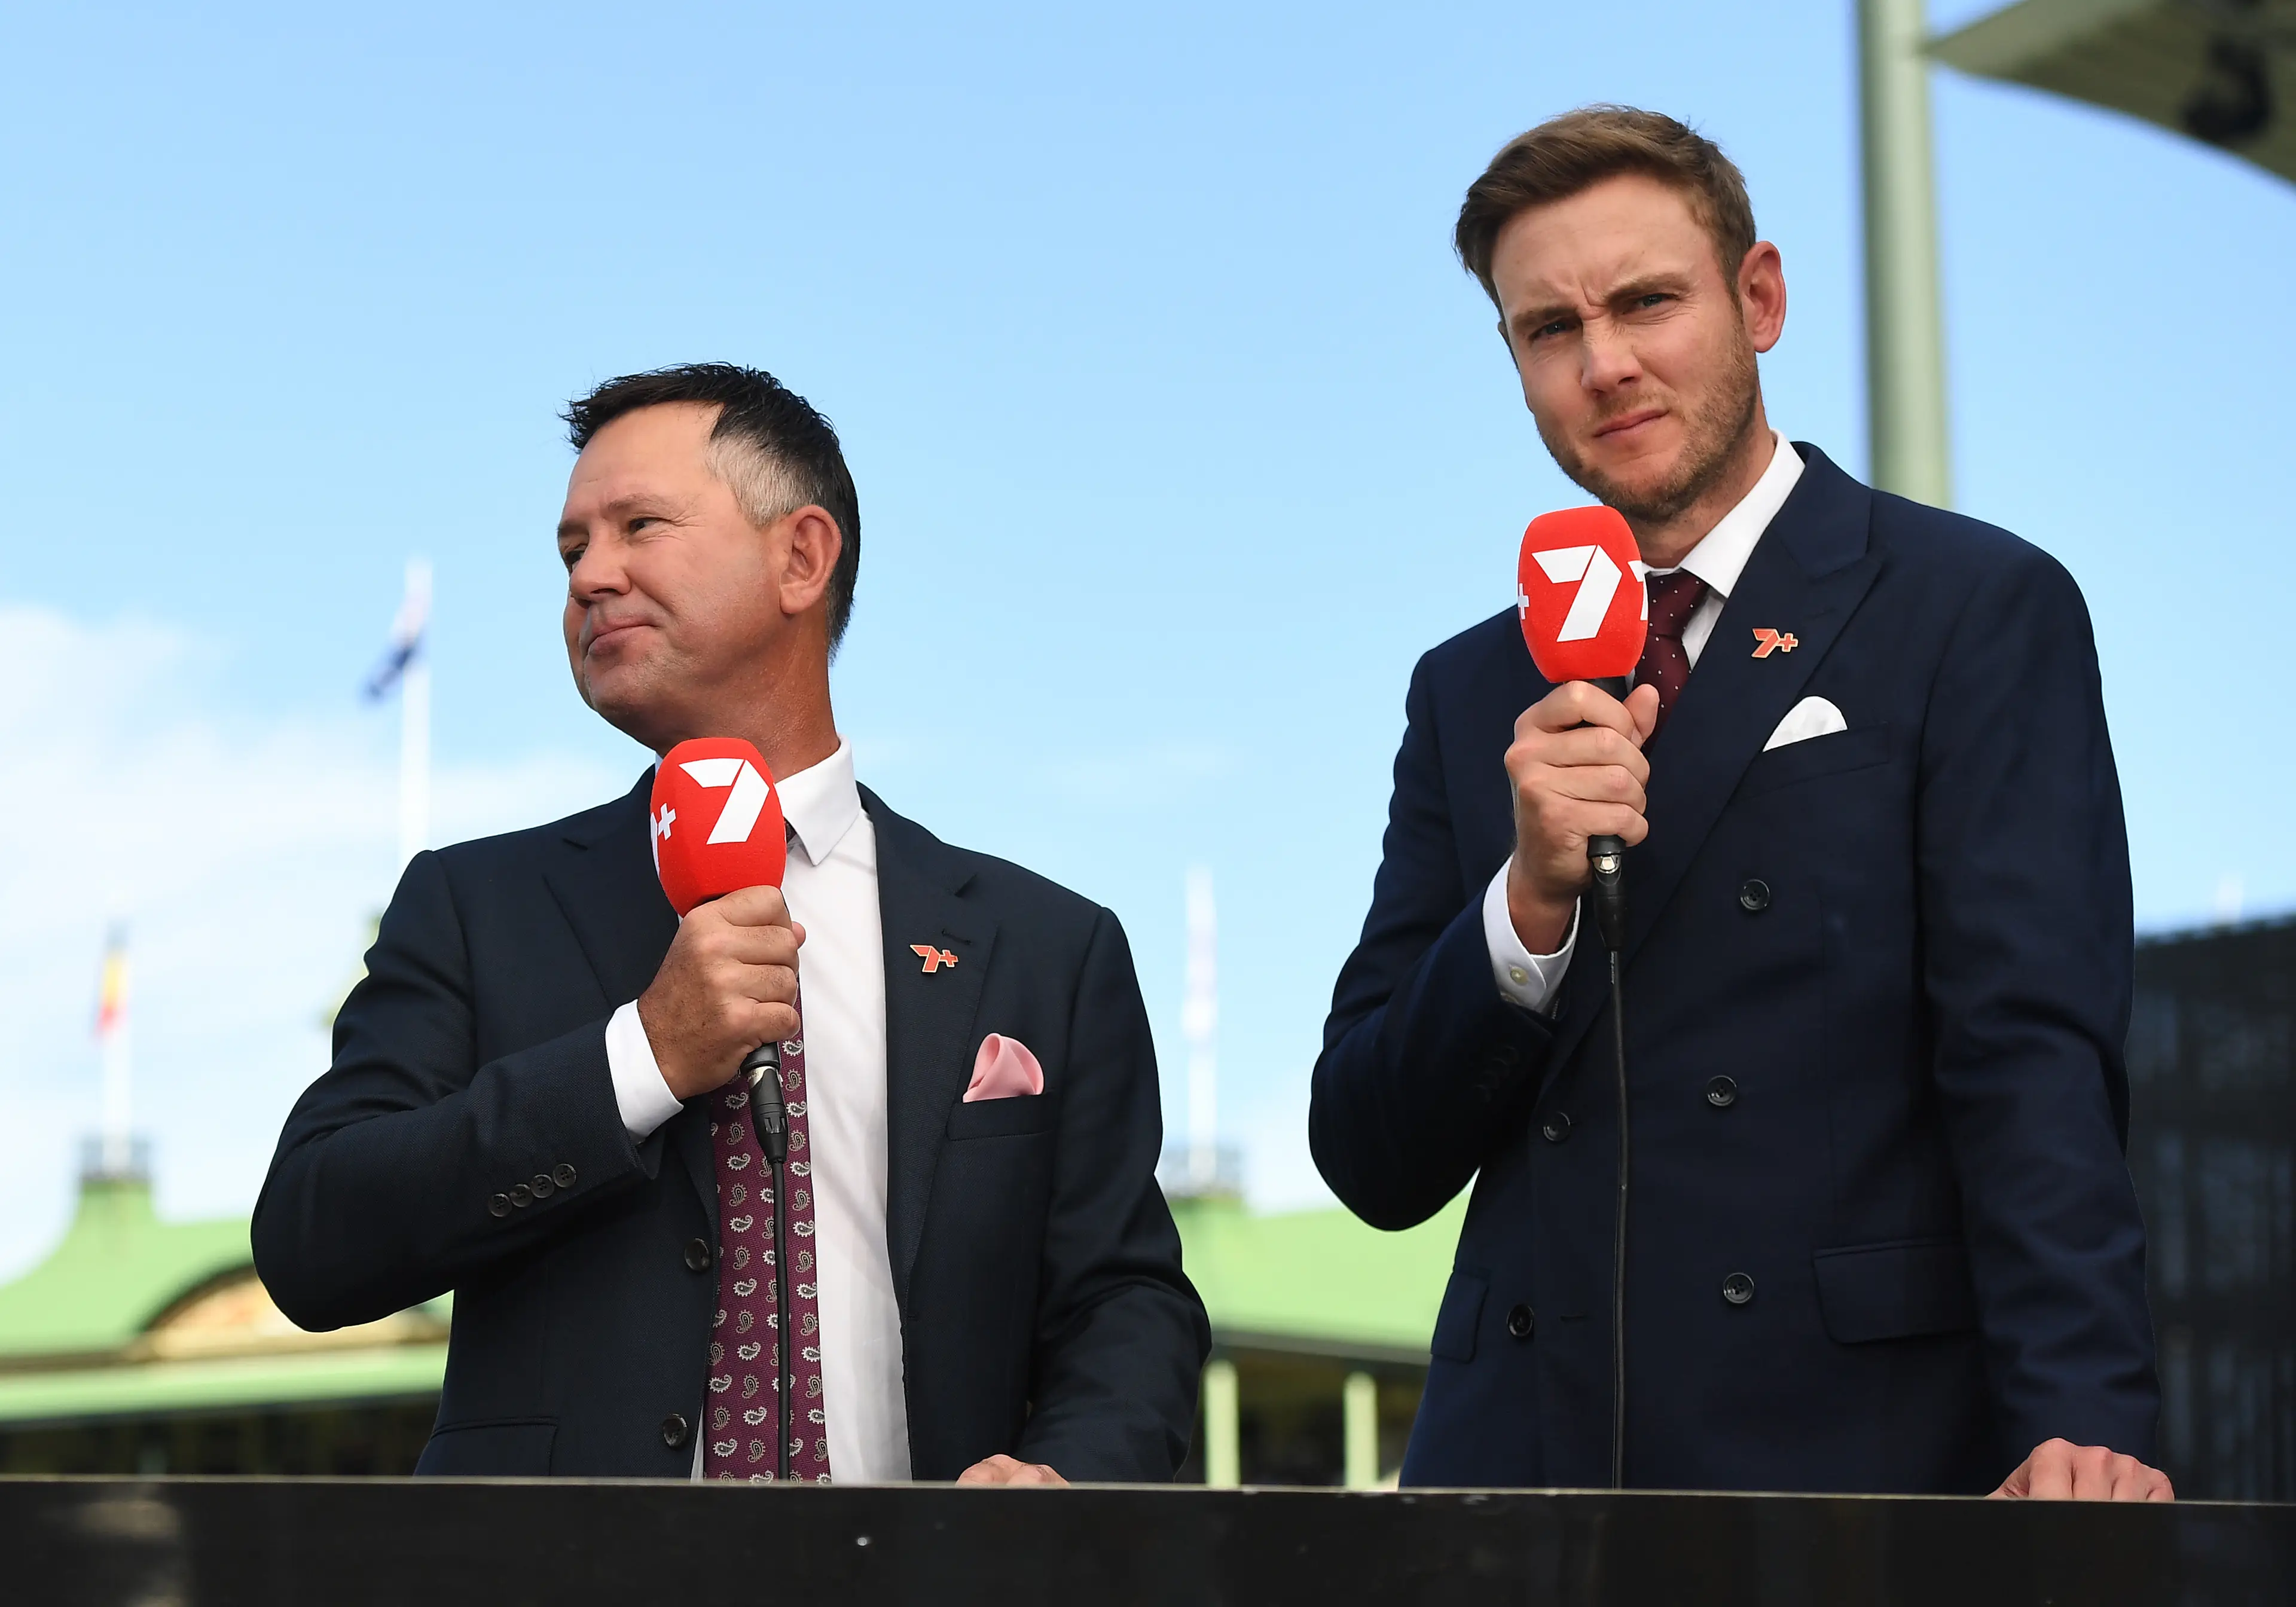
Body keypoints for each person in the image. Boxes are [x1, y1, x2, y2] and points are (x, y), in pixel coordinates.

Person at [1309, 108, 2170, 1500]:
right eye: (1549, 329)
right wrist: (1526, 908)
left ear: (1758, 298)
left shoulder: (1968, 606)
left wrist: (2084, 1418)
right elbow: (1368, 1153)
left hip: (1849, 1462)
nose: (1607, 365)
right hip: (1519, 1474)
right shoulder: (1470, 689)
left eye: (1648, 301)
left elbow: (2031, 1062)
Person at [254, 363, 1208, 1484]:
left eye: (639, 527)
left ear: (802, 556)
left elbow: (1124, 1299)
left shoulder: (1046, 947)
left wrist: (1068, 1480)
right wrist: (640, 1060)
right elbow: (315, 1239)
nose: (591, 578)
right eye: (571, 552)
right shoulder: (475, 907)